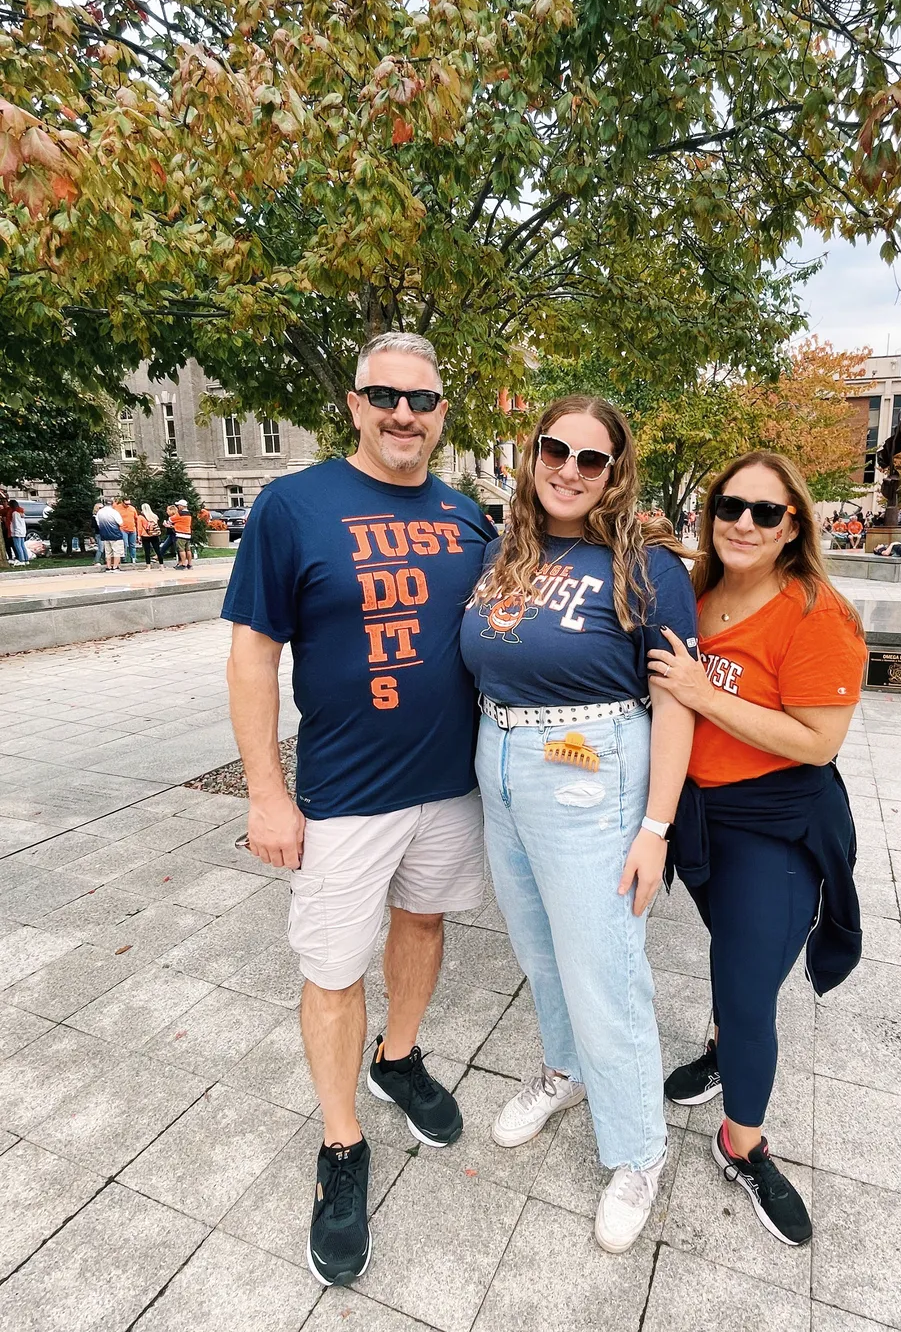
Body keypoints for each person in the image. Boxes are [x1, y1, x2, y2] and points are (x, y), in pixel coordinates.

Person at [223, 331, 497, 1288]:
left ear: (441, 415)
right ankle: (342, 1143)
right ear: (353, 404)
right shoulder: (292, 507)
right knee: (334, 968)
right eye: (384, 396)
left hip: (449, 786)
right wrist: (267, 789)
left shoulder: (468, 518)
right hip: (342, 798)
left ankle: (401, 1056)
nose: (403, 415)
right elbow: (254, 651)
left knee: (423, 923)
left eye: (421, 401)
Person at [460, 397, 697, 1254]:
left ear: (615, 471)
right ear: (533, 454)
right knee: (537, 946)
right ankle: (563, 1069)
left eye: (590, 459)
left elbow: (676, 703)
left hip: (592, 768)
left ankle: (637, 1150)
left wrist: (656, 828)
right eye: (554, 449)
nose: (568, 468)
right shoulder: (505, 551)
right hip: (504, 760)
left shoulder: (648, 566)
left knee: (603, 962)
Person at [655, 451, 865, 1248]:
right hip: (700, 820)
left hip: (774, 826)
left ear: (793, 527)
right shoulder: (696, 591)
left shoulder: (816, 612)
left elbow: (818, 742)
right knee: (733, 955)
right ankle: (720, 1050)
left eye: (766, 513)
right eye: (729, 506)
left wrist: (704, 694)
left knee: (747, 989)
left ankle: (742, 1144)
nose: (744, 522)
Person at [93, 500, 125, 570]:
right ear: (112, 504)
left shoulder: (99, 512)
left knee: (108, 552)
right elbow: (121, 523)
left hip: (104, 535)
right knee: (117, 551)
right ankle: (115, 566)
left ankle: (108, 566)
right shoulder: (114, 512)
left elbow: (98, 524)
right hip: (115, 534)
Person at [169, 500, 194, 567]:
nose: (178, 507)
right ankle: (189, 564)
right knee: (188, 549)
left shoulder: (180, 513)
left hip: (181, 533)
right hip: (188, 533)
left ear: (182, 506)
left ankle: (183, 564)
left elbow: (171, 519)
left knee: (181, 549)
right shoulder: (189, 513)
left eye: (179, 505)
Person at [114, 497, 138, 563]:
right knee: (124, 544)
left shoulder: (132, 508)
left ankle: (133, 558)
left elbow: (136, 518)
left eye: (129, 503)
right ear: (122, 502)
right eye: (126, 504)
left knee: (132, 545)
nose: (128, 505)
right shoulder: (117, 508)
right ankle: (123, 558)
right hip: (122, 529)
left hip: (132, 528)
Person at [8, 499, 29, 564]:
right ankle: (26, 559)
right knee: (22, 546)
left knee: (18, 546)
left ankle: (21, 560)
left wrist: (14, 531)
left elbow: (15, 523)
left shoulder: (15, 513)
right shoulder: (21, 512)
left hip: (17, 531)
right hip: (22, 531)